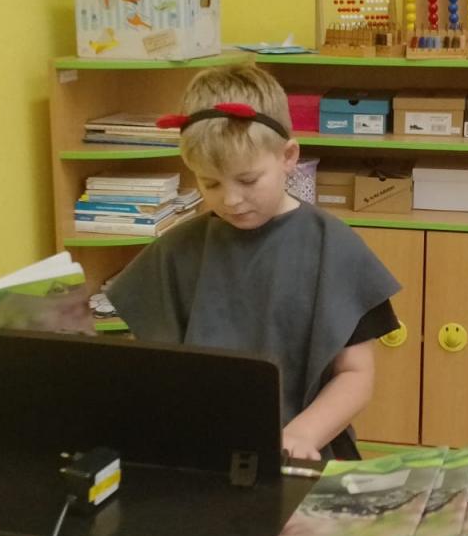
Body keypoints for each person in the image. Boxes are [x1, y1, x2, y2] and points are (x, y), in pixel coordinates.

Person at [109, 64, 401, 461]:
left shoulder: (333, 249)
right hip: (201, 454)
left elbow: (355, 374)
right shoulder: (176, 251)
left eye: (247, 180)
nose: (230, 200)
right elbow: (151, 366)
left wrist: (301, 435)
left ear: (288, 156)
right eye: (210, 183)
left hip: (303, 453)